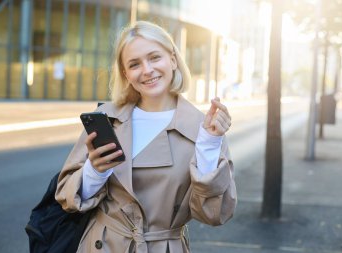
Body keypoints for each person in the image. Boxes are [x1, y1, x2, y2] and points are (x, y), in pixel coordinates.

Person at [55, 20, 237, 253]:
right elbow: (67, 197)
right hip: (101, 245)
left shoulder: (204, 128)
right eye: (134, 64)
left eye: (154, 57)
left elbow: (215, 214)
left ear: (172, 59)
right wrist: (95, 171)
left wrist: (210, 145)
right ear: (126, 74)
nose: (147, 70)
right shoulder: (106, 117)